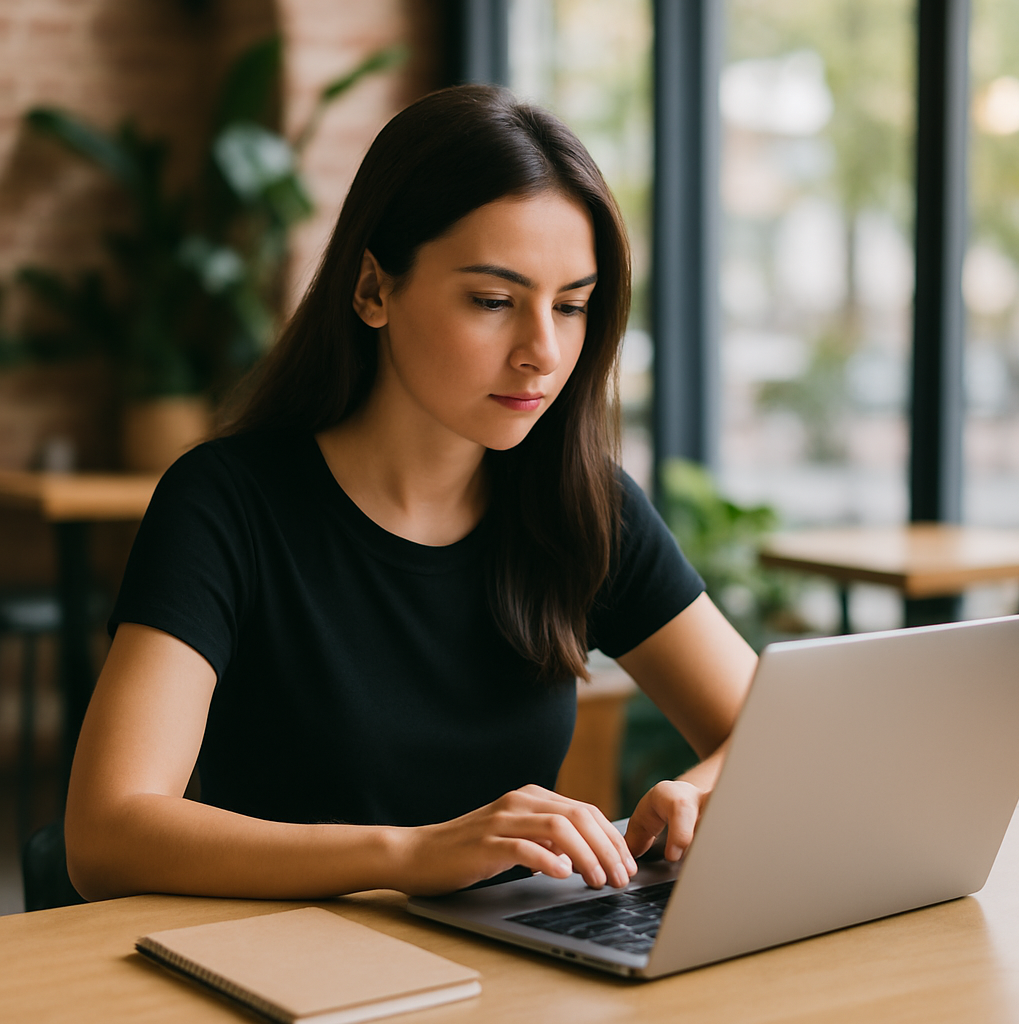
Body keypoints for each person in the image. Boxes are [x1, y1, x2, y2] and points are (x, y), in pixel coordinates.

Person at [64, 85, 758, 902]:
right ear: (372, 290)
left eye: (571, 306)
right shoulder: (227, 505)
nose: (543, 351)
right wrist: (411, 855)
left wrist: (699, 793)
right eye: (494, 301)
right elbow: (107, 831)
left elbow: (776, 733)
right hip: (292, 969)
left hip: (516, 966)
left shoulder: (579, 503)